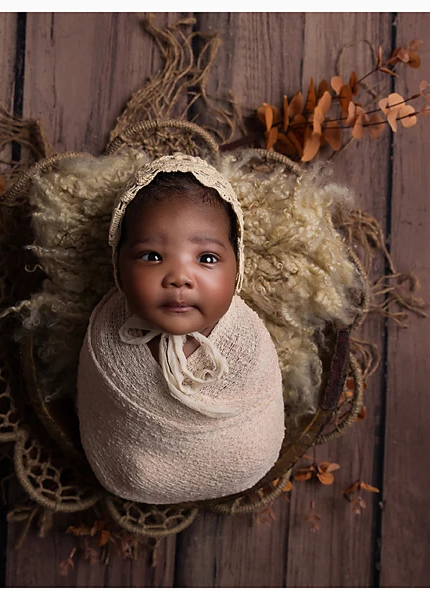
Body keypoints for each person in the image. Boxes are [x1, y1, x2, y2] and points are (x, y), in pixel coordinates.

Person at [76, 154, 286, 505]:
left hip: (244, 464)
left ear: (237, 267)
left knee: (251, 452)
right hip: (134, 472)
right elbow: (106, 418)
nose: (179, 277)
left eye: (206, 258)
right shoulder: (106, 337)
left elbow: (259, 407)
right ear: (118, 267)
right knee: (133, 467)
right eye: (152, 256)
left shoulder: (246, 339)